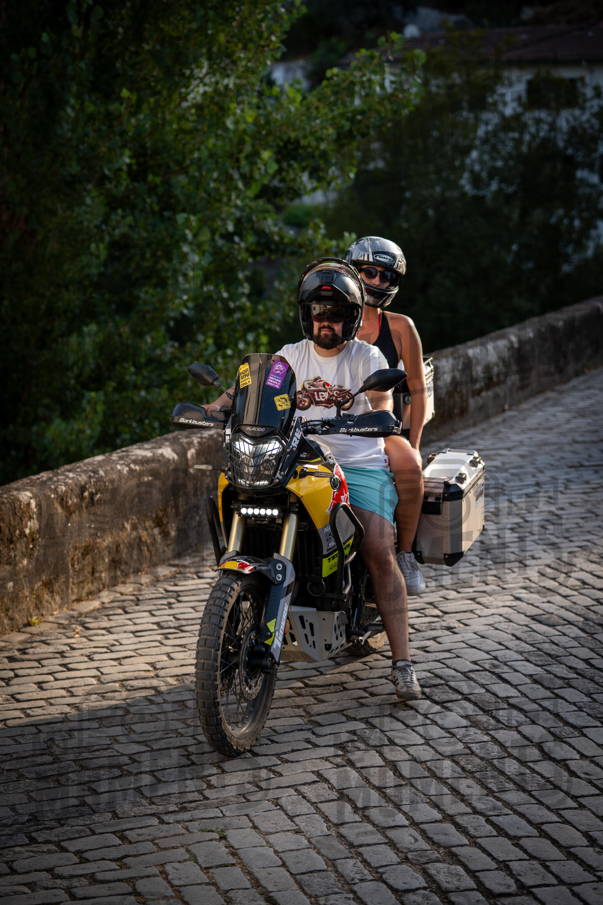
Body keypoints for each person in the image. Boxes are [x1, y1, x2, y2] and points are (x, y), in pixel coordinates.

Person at [206, 258, 421, 701]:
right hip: (300, 461)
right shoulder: (289, 356)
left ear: (351, 318)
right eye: (319, 312)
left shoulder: (366, 356)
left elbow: (381, 400)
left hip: (358, 462)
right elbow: (250, 390)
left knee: (377, 548)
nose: (327, 321)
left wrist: (376, 414)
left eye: (337, 314)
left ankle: (402, 664)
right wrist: (215, 407)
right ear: (307, 315)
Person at [346, 237, 427, 596]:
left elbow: (418, 390)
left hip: (378, 426)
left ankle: (405, 554)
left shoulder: (400, 327)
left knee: (409, 464)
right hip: (330, 424)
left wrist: (414, 443)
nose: (378, 281)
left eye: (387, 276)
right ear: (353, 270)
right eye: (370, 272)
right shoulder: (331, 318)